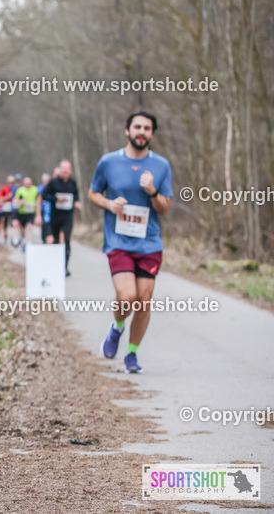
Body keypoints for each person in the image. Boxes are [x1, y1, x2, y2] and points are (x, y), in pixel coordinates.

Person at [89, 111, 172, 374]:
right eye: (137, 126)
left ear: (152, 134)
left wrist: (153, 191)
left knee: (143, 301)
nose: (142, 132)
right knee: (127, 297)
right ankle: (116, 328)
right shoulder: (108, 162)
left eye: (147, 128)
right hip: (118, 241)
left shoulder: (161, 166)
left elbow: (164, 208)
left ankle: (132, 355)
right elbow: (93, 193)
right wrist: (109, 203)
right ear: (127, 130)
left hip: (149, 244)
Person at [37, 160, 82, 275]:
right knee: (56, 241)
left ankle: (65, 267)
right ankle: (56, 265)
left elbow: (76, 195)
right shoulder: (53, 182)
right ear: (60, 170)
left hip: (68, 216)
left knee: (66, 240)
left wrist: (77, 202)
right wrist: (56, 199)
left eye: (67, 169)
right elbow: (44, 195)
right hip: (55, 217)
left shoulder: (73, 183)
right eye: (63, 169)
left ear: (70, 170)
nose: (65, 171)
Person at [13, 176, 39, 248]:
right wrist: (20, 201)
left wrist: (38, 211)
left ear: (31, 183)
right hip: (22, 212)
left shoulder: (35, 189)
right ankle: (22, 238)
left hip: (31, 212)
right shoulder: (20, 190)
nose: (27, 185)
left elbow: (39, 199)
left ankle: (29, 242)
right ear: (23, 183)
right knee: (22, 229)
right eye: (26, 184)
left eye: (29, 183)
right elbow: (15, 201)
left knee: (30, 227)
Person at [37, 171, 55, 244]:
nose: (45, 183)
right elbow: (38, 201)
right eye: (44, 181)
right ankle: (44, 243)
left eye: (47, 181)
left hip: (52, 212)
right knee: (44, 230)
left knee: (50, 230)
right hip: (43, 211)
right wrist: (38, 215)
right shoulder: (40, 188)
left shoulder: (53, 187)